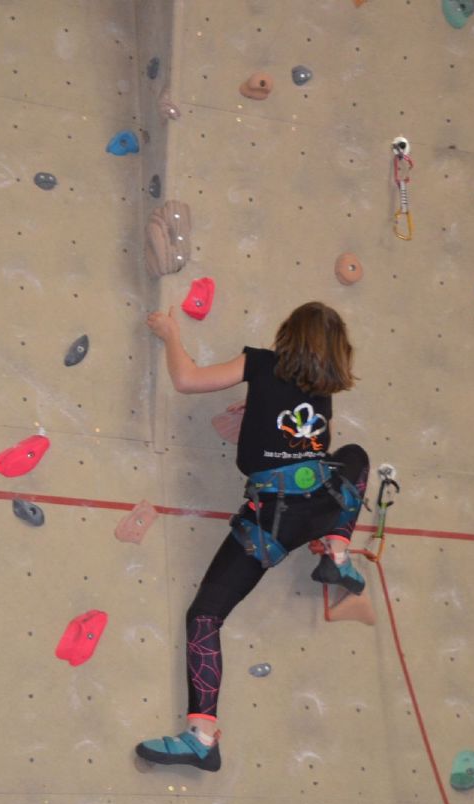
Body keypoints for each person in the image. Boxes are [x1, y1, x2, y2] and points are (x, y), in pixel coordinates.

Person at [135, 301, 370, 772]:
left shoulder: (262, 363)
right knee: (357, 456)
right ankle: (338, 552)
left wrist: (170, 335)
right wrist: (255, 414)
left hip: (270, 522)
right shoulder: (324, 393)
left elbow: (187, 380)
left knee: (205, 616)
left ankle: (202, 738)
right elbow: (306, 443)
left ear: (289, 336)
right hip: (319, 505)